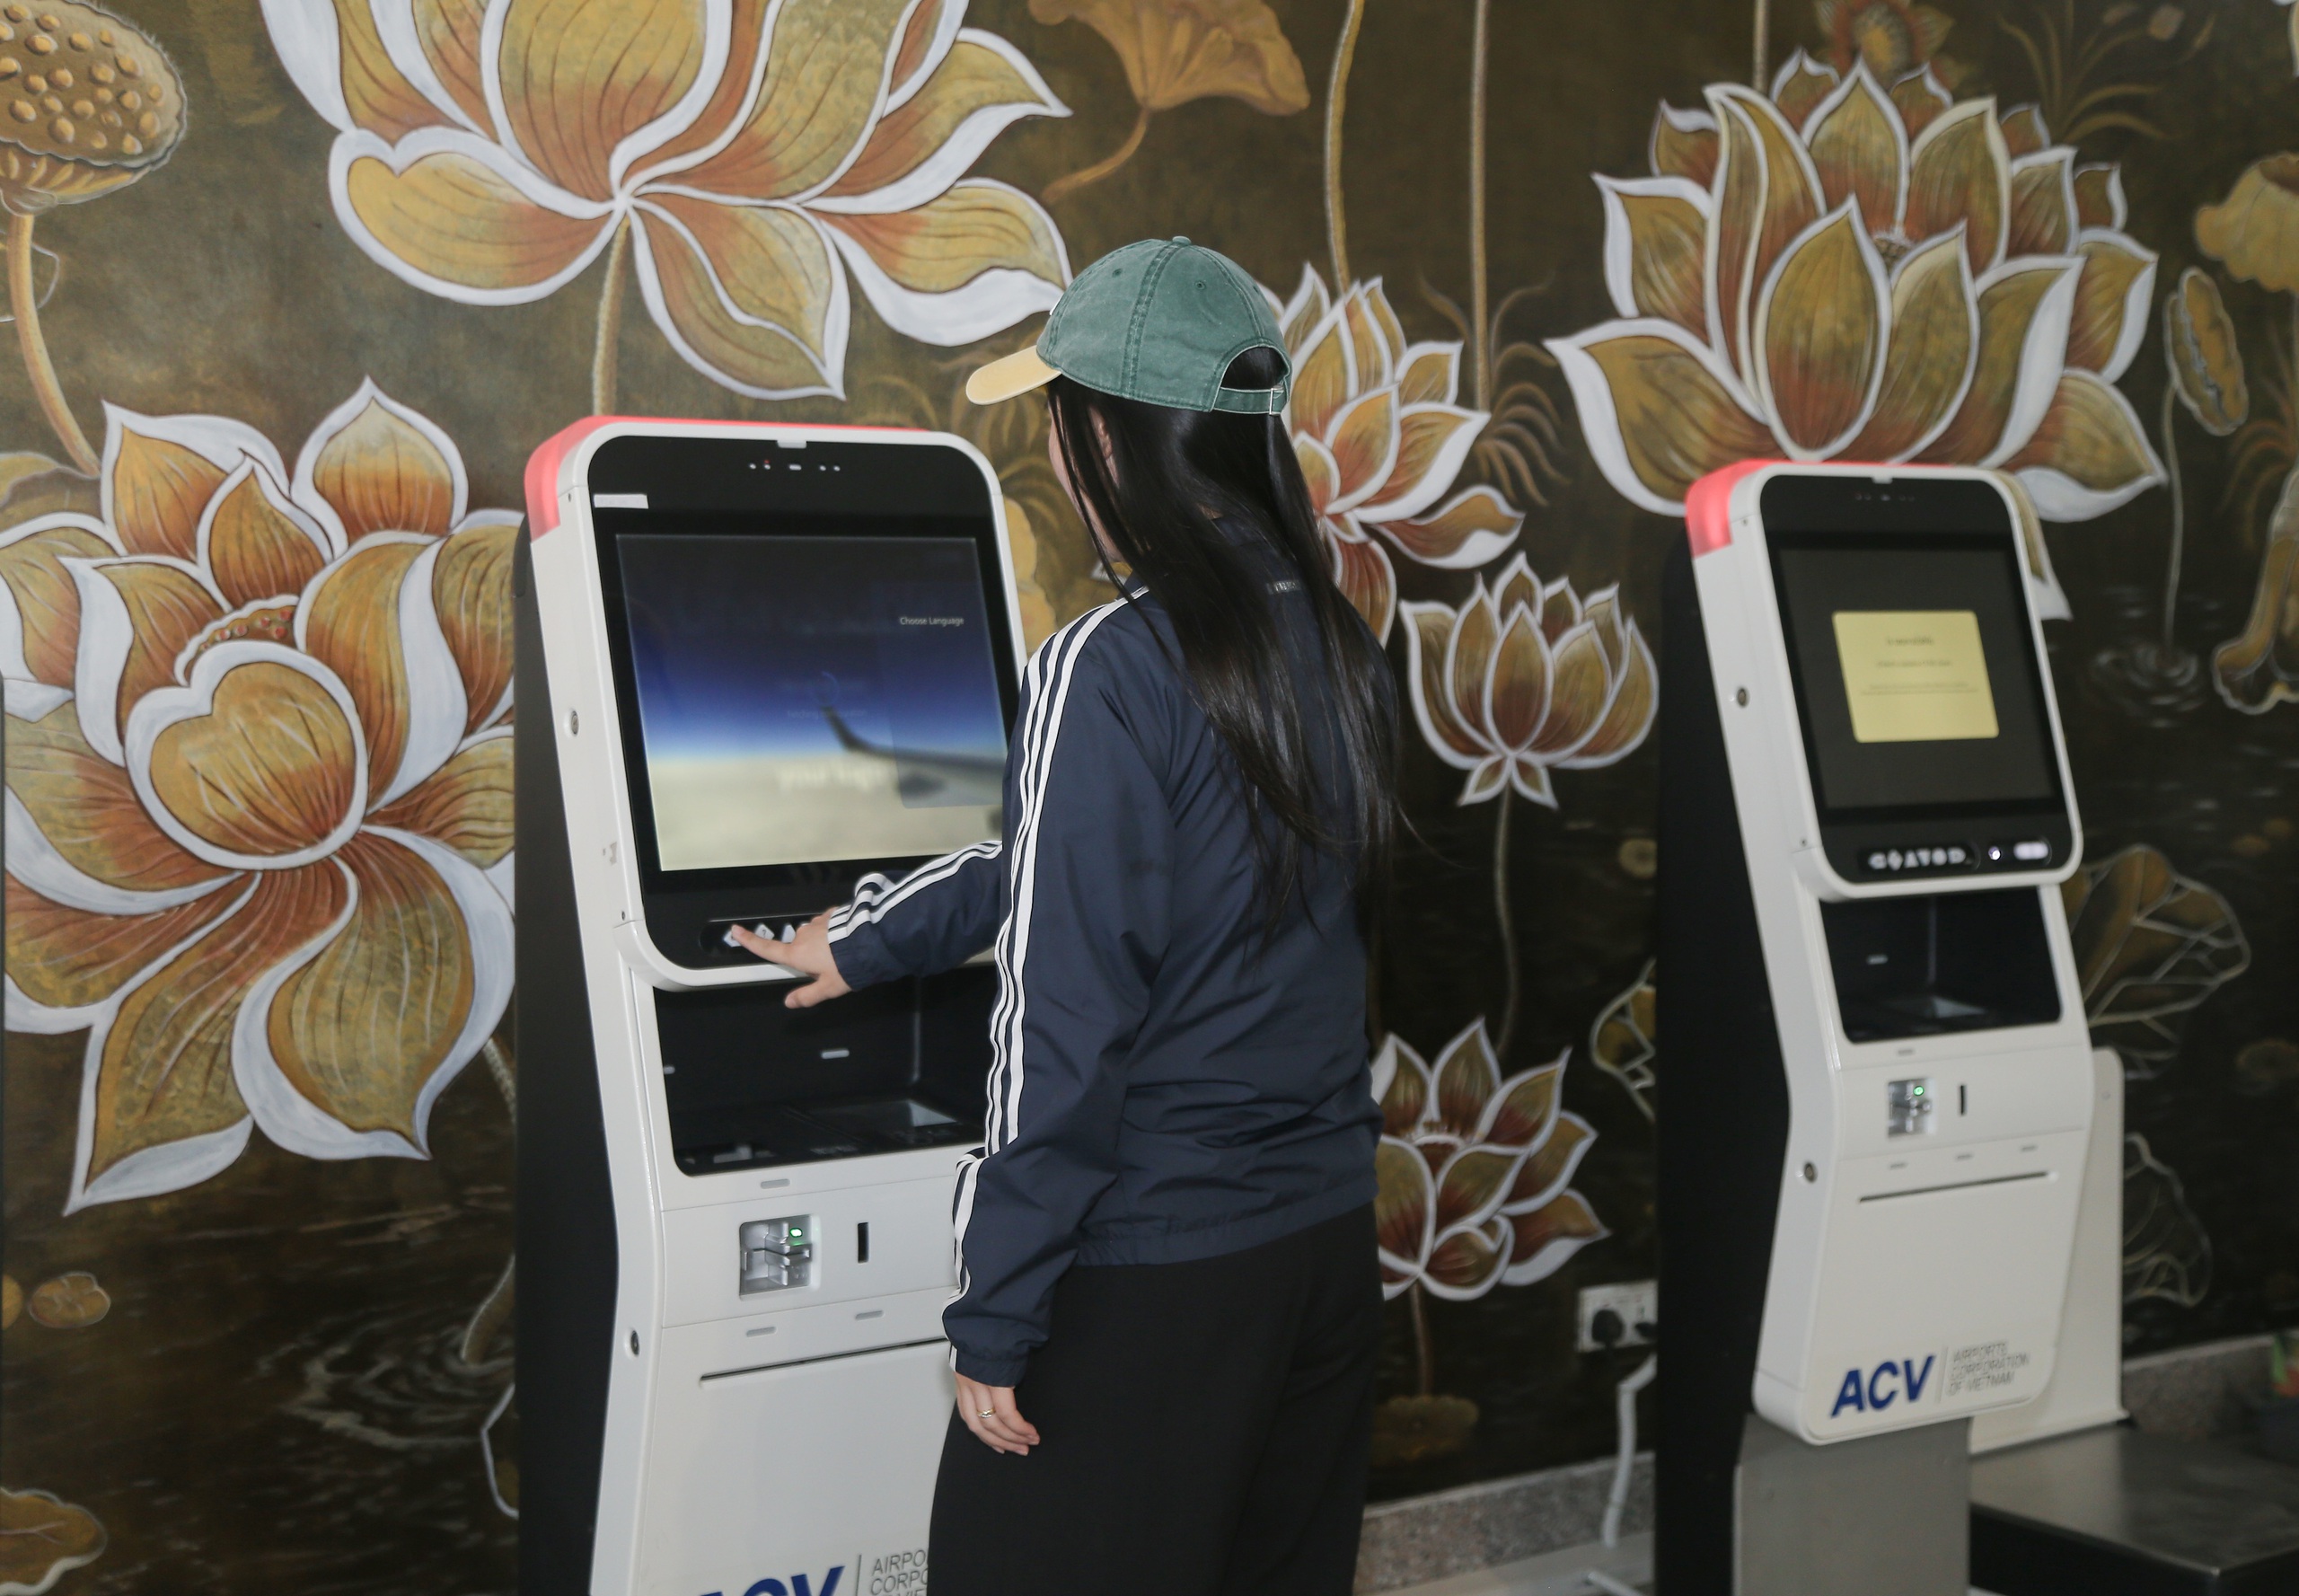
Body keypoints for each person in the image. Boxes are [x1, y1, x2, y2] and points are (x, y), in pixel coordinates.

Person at [734, 237, 1397, 1596]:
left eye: (1055, 413)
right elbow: (1086, 859)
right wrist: (868, 937)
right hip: (1320, 1250)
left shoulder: (1107, 661)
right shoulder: (1336, 640)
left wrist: (998, 1306)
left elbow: (1062, 1028)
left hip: (1150, 1275)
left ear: (1101, 434)